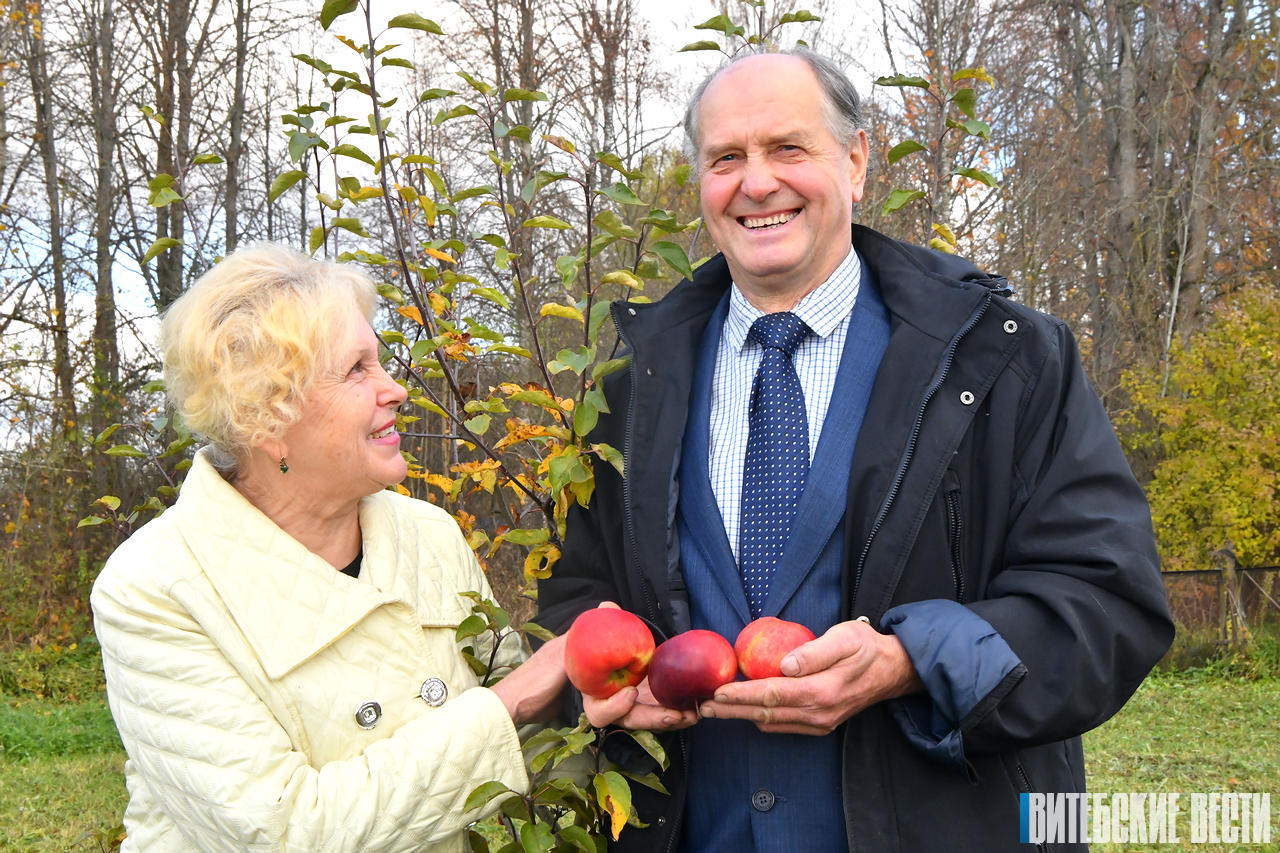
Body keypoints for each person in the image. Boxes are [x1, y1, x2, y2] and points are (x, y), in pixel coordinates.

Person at [536, 48, 1174, 852]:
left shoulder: (1005, 360)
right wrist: (600, 690)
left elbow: (1108, 603)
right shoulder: (629, 388)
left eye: (788, 148)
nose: (757, 182)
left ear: (857, 160)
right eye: (726, 158)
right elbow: (576, 603)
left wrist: (914, 659)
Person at [91, 244, 567, 852]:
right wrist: (509, 705)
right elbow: (286, 833)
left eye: (381, 361)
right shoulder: (154, 589)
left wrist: (606, 692)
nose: (395, 389)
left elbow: (522, 729)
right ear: (265, 415)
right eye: (356, 370)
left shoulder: (428, 534)